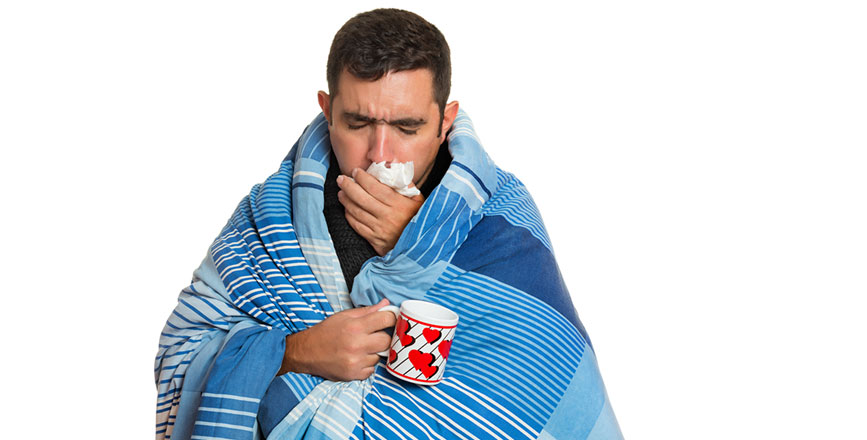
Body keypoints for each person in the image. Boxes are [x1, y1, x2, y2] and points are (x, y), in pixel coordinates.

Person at [156, 8, 622, 440]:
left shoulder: (499, 213)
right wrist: (296, 352)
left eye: (407, 127)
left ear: (445, 121)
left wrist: (421, 243)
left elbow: (541, 360)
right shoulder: (269, 217)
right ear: (327, 110)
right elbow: (181, 351)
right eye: (358, 123)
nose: (380, 154)